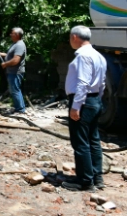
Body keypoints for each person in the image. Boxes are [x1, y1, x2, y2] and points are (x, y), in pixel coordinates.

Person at [61, 25, 106, 192]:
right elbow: (101, 84)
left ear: (74, 37)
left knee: (80, 142)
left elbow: (82, 83)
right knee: (93, 140)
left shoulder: (82, 56)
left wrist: (76, 106)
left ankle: (85, 181)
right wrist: (96, 101)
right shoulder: (99, 56)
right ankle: (96, 177)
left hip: (84, 101)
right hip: (94, 100)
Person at [0, 27, 27, 114]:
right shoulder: (15, 44)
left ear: (17, 35)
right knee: (14, 90)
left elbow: (16, 60)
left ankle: (20, 109)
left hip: (16, 72)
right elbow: (9, 55)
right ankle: (19, 108)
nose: (10, 35)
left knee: (15, 90)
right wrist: (0, 54)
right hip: (12, 72)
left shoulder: (19, 45)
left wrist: (5, 64)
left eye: (12, 33)